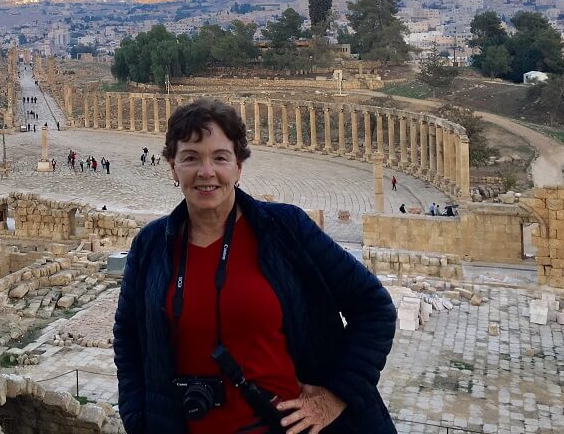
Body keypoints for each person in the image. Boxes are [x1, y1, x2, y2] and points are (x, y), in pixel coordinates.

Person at [114, 99, 396, 434]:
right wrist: (138, 420)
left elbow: (375, 307)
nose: (207, 172)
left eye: (220, 157)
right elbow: (128, 338)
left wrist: (336, 395)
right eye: (191, 158)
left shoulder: (286, 230)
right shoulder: (150, 246)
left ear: (238, 167)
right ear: (173, 168)